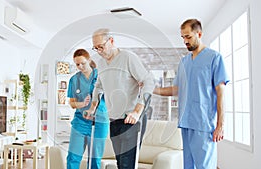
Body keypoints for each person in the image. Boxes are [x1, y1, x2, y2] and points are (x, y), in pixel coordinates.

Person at [153, 19, 230, 169]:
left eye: (188, 37)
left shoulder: (214, 58)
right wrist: (152, 88)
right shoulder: (184, 62)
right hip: (186, 123)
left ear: (199, 34)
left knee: (205, 166)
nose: (185, 41)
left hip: (204, 123)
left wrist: (220, 125)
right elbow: (176, 90)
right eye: (183, 37)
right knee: (189, 166)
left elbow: (221, 93)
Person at [85, 28, 154, 169]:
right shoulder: (101, 62)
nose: (99, 51)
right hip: (114, 120)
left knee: (127, 165)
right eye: (95, 48)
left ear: (111, 41)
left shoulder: (128, 58)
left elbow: (148, 82)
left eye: (101, 47)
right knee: (121, 164)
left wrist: (137, 111)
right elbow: (99, 86)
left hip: (131, 119)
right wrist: (92, 107)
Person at [66, 49, 109, 169]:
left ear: (89, 60)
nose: (80, 66)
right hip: (80, 122)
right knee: (73, 157)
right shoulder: (74, 80)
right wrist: (82, 103)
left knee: (95, 159)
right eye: (77, 64)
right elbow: (72, 104)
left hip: (99, 121)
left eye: (83, 63)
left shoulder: (102, 75)